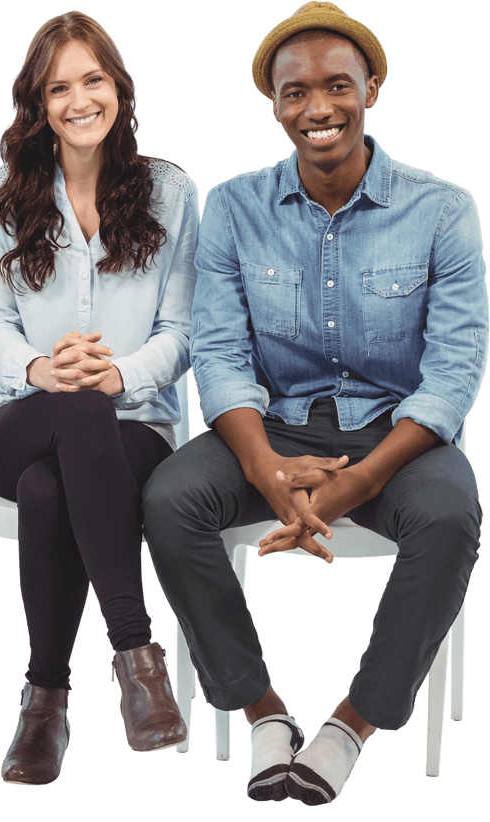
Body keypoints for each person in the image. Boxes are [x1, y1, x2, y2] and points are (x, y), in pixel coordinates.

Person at [143, 1, 486, 807]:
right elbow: (220, 355)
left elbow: (455, 370)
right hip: (273, 425)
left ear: (374, 88)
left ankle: (349, 726)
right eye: (295, 93)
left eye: (338, 86)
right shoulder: (233, 205)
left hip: (398, 433)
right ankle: (263, 713)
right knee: (167, 497)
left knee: (450, 515)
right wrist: (265, 470)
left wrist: (356, 484)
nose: (318, 109)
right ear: (274, 103)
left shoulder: (443, 208)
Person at [0, 10, 197, 785]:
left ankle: (43, 705)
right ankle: (137, 657)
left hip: (133, 428)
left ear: (119, 90)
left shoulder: (172, 193)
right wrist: (41, 371)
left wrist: (120, 375)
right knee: (61, 428)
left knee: (51, 486)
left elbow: (182, 332)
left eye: (92, 80)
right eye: (58, 87)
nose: (78, 100)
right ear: (37, 104)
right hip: (17, 421)